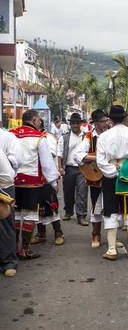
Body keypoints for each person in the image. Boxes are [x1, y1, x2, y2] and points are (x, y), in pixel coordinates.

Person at [96, 105, 128, 260]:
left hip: (111, 174)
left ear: (110, 119)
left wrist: (114, 170)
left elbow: (100, 160)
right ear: (125, 118)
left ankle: (111, 249)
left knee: (110, 209)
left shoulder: (104, 137)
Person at [9, 109, 59, 260]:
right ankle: (26, 249)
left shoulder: (11, 134)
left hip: (14, 180)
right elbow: (46, 162)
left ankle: (15, 249)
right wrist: (53, 182)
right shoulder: (39, 136)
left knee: (16, 215)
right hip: (32, 182)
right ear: (35, 120)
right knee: (30, 215)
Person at [75, 109, 109, 248]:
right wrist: (96, 158)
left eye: (107, 120)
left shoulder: (112, 135)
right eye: (102, 121)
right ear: (95, 123)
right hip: (96, 176)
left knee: (112, 206)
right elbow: (78, 155)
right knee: (96, 206)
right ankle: (96, 235)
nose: (106, 124)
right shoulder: (89, 137)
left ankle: (112, 237)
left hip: (112, 175)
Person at [30, 120, 64, 247]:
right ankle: (41, 234)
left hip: (47, 179)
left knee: (51, 206)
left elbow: (49, 155)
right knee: (37, 208)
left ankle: (58, 233)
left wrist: (53, 181)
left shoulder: (47, 138)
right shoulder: (33, 138)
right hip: (35, 179)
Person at [0, 125, 24, 276]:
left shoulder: (8, 138)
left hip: (3, 184)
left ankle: (9, 261)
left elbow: (12, 170)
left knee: (5, 223)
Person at [57, 112, 89, 225]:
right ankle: (68, 211)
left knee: (82, 192)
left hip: (83, 168)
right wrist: (60, 167)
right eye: (73, 123)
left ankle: (81, 216)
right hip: (69, 168)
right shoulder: (64, 138)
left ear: (80, 124)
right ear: (70, 124)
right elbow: (59, 153)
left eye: (77, 123)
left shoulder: (86, 137)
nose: (75, 125)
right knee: (68, 192)